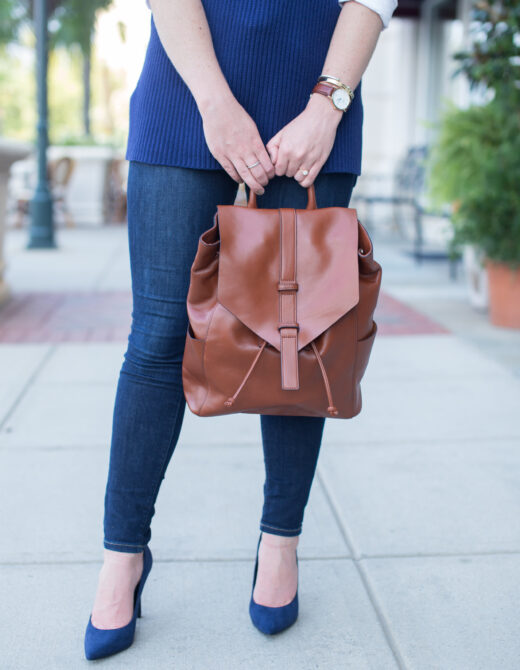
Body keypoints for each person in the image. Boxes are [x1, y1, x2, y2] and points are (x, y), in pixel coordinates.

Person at [84, 0, 398, 660]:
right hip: (185, 96)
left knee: (299, 340)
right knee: (159, 337)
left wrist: (328, 105)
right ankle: (123, 554)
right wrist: (215, 105)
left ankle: (280, 544)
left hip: (314, 109)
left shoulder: (321, 112)